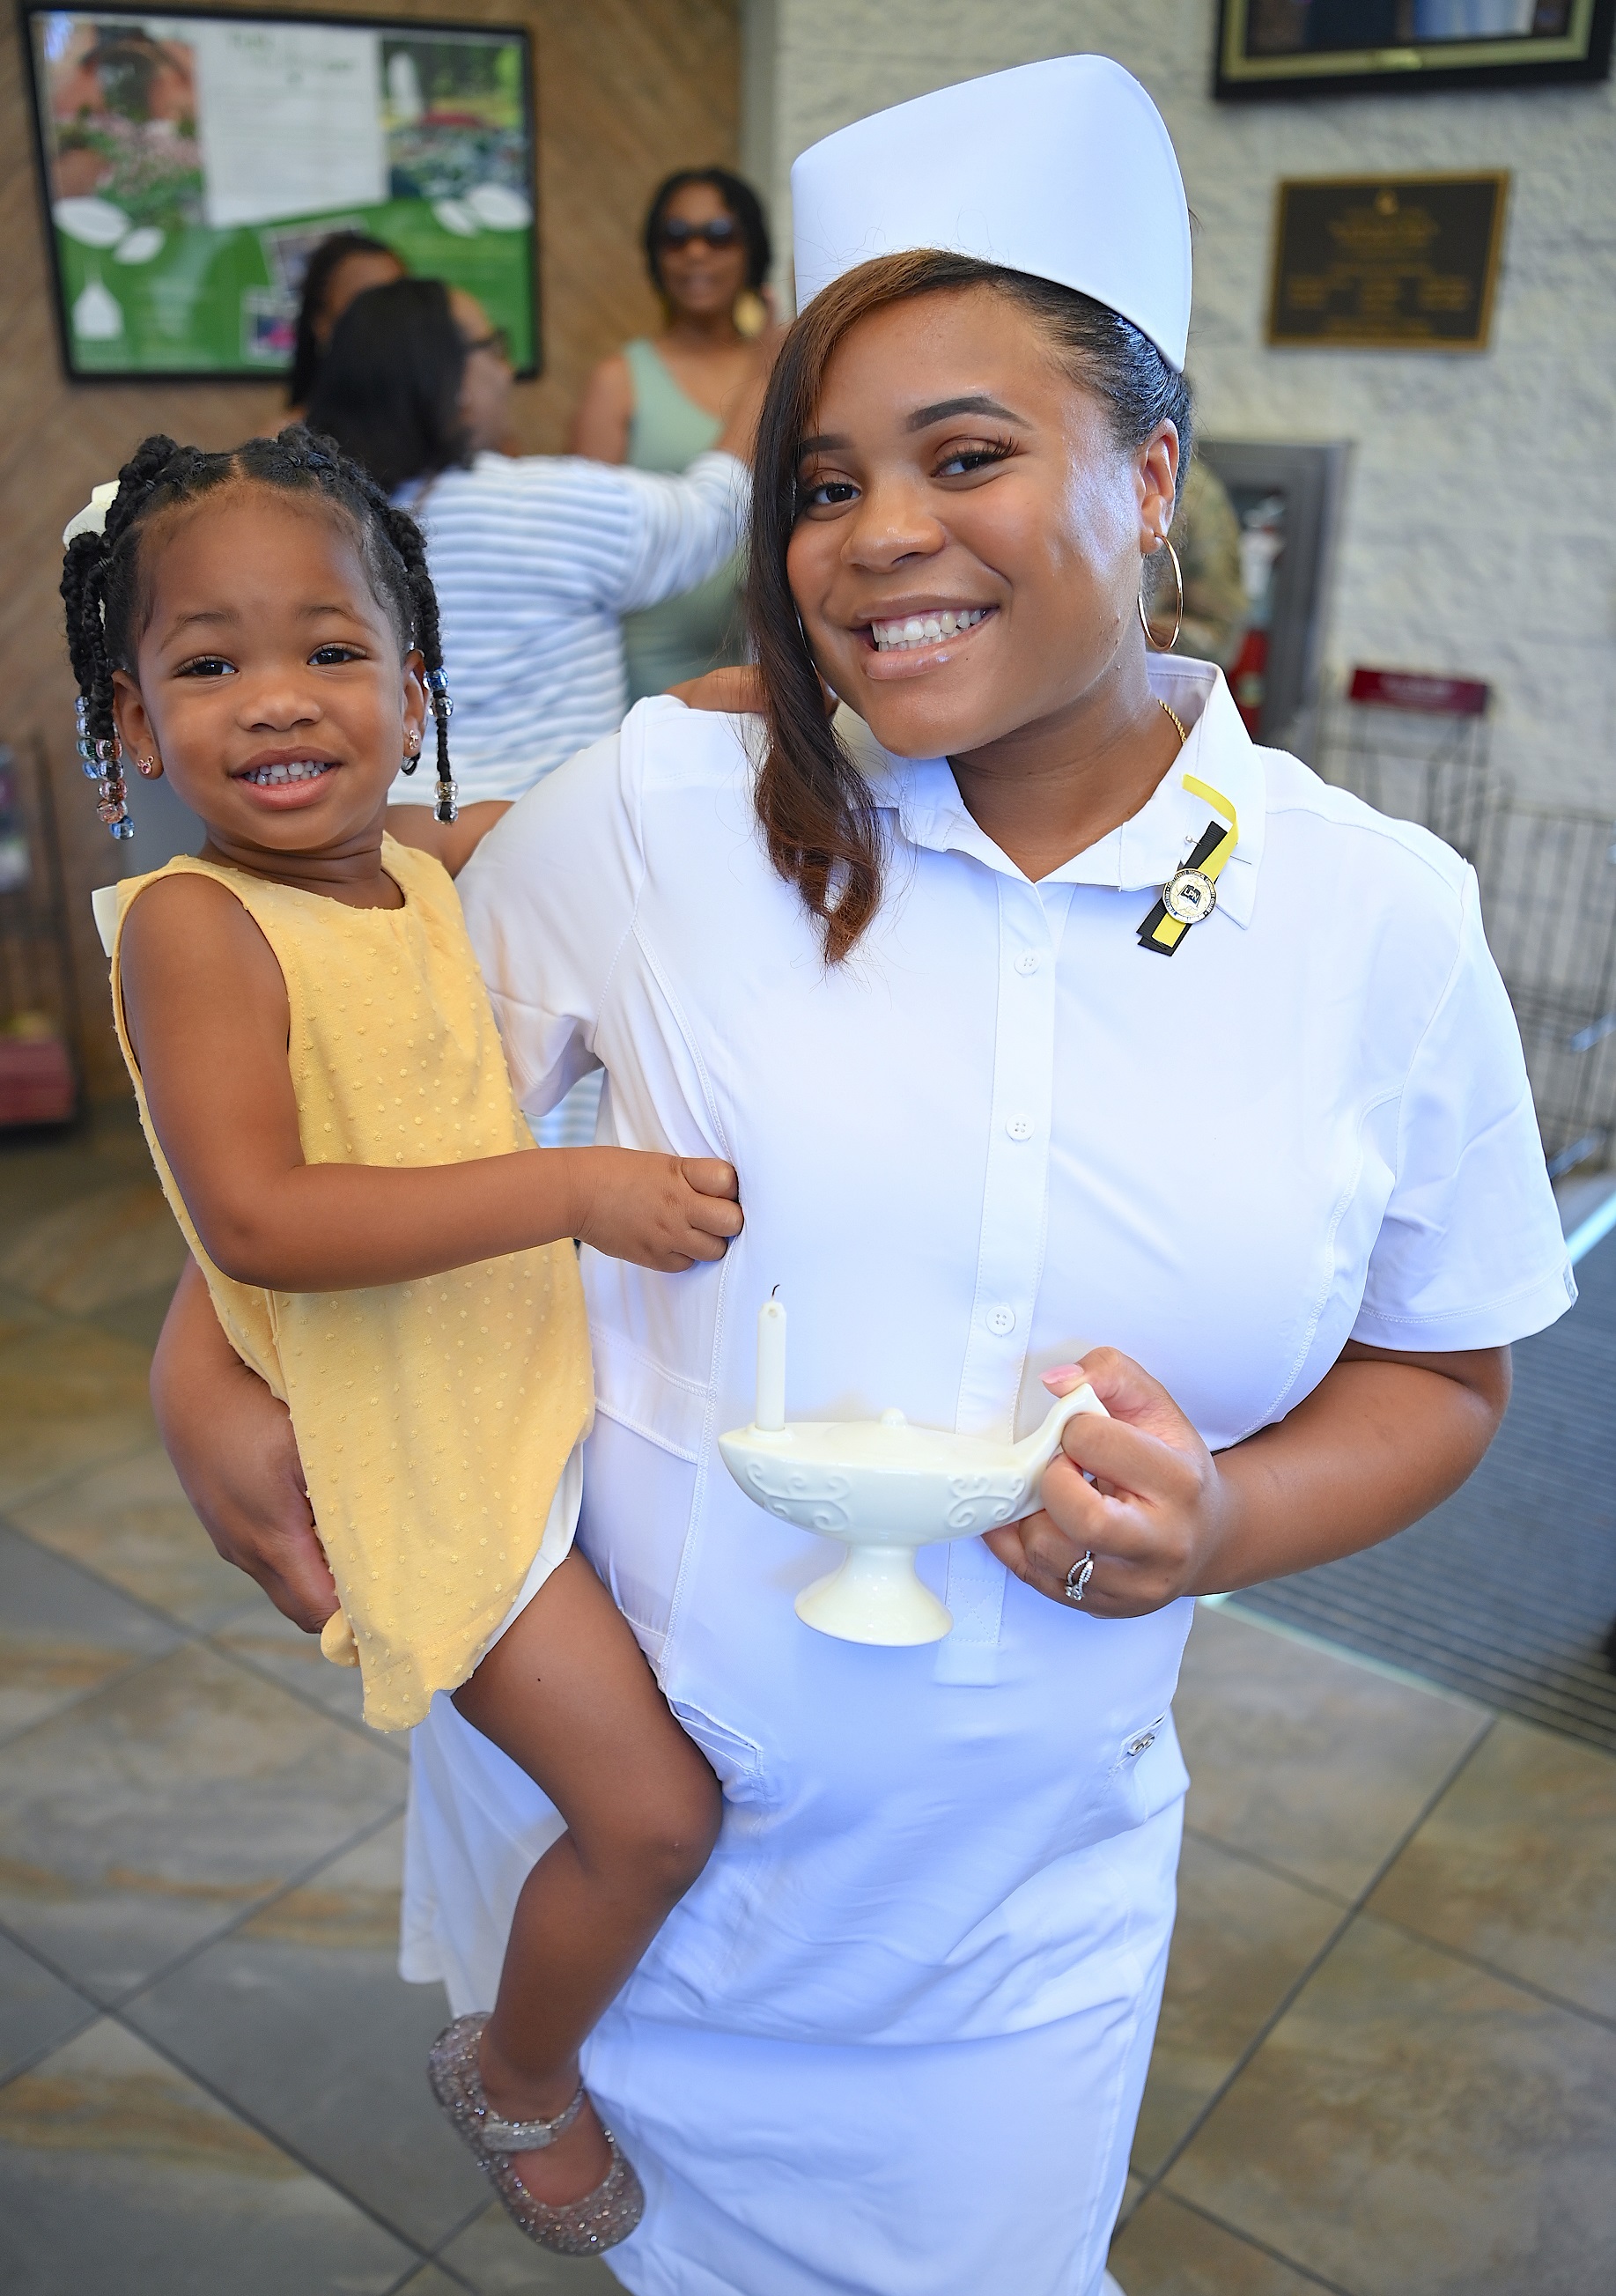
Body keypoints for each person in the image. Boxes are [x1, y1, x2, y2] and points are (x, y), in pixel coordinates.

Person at [148, 55, 1571, 2296]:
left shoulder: (1370, 921)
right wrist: (200, 1362)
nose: (878, 531)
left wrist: (1229, 1516)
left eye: (969, 454)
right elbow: (369, 1065)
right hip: (614, 1882)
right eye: (824, 478)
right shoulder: (658, 812)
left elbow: (1444, 1371)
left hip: (989, 1936)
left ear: (1157, 475)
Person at [63, 426, 746, 2255]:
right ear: (130, 725)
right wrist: (572, 1190)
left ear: (413, 685)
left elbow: (624, 781)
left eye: (330, 652)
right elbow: (263, 1219)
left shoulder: (426, 862)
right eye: (208, 666)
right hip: (421, 1457)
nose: (278, 703)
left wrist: (750, 681)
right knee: (654, 1814)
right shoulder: (198, 928)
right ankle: (515, 2065)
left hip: (519, 1398)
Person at [570, 168, 774, 700]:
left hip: (767, 653)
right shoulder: (619, 381)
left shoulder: (781, 363)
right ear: (656, 257)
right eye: (676, 237)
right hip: (648, 660)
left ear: (752, 249)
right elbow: (586, 544)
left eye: (720, 235)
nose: (697, 253)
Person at [284, 232, 405, 416]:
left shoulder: (445, 431)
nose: (385, 320)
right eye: (363, 305)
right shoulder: (289, 438)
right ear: (321, 324)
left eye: (397, 300)